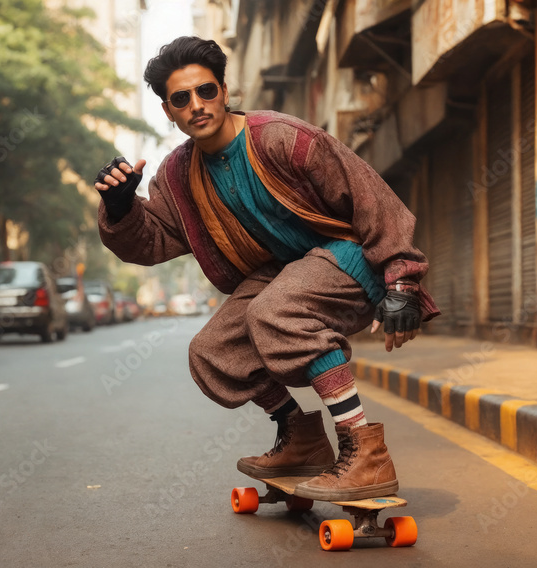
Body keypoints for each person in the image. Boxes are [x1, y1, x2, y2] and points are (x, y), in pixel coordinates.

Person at [94, 36, 439, 501]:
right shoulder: (177, 175)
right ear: (168, 111)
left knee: (277, 310)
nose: (197, 105)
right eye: (182, 99)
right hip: (288, 271)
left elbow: (370, 197)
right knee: (212, 349)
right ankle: (302, 437)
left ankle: (366, 454)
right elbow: (152, 239)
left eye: (206, 91)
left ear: (224, 89)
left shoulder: (281, 138)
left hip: (349, 259)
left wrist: (401, 281)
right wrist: (120, 209)